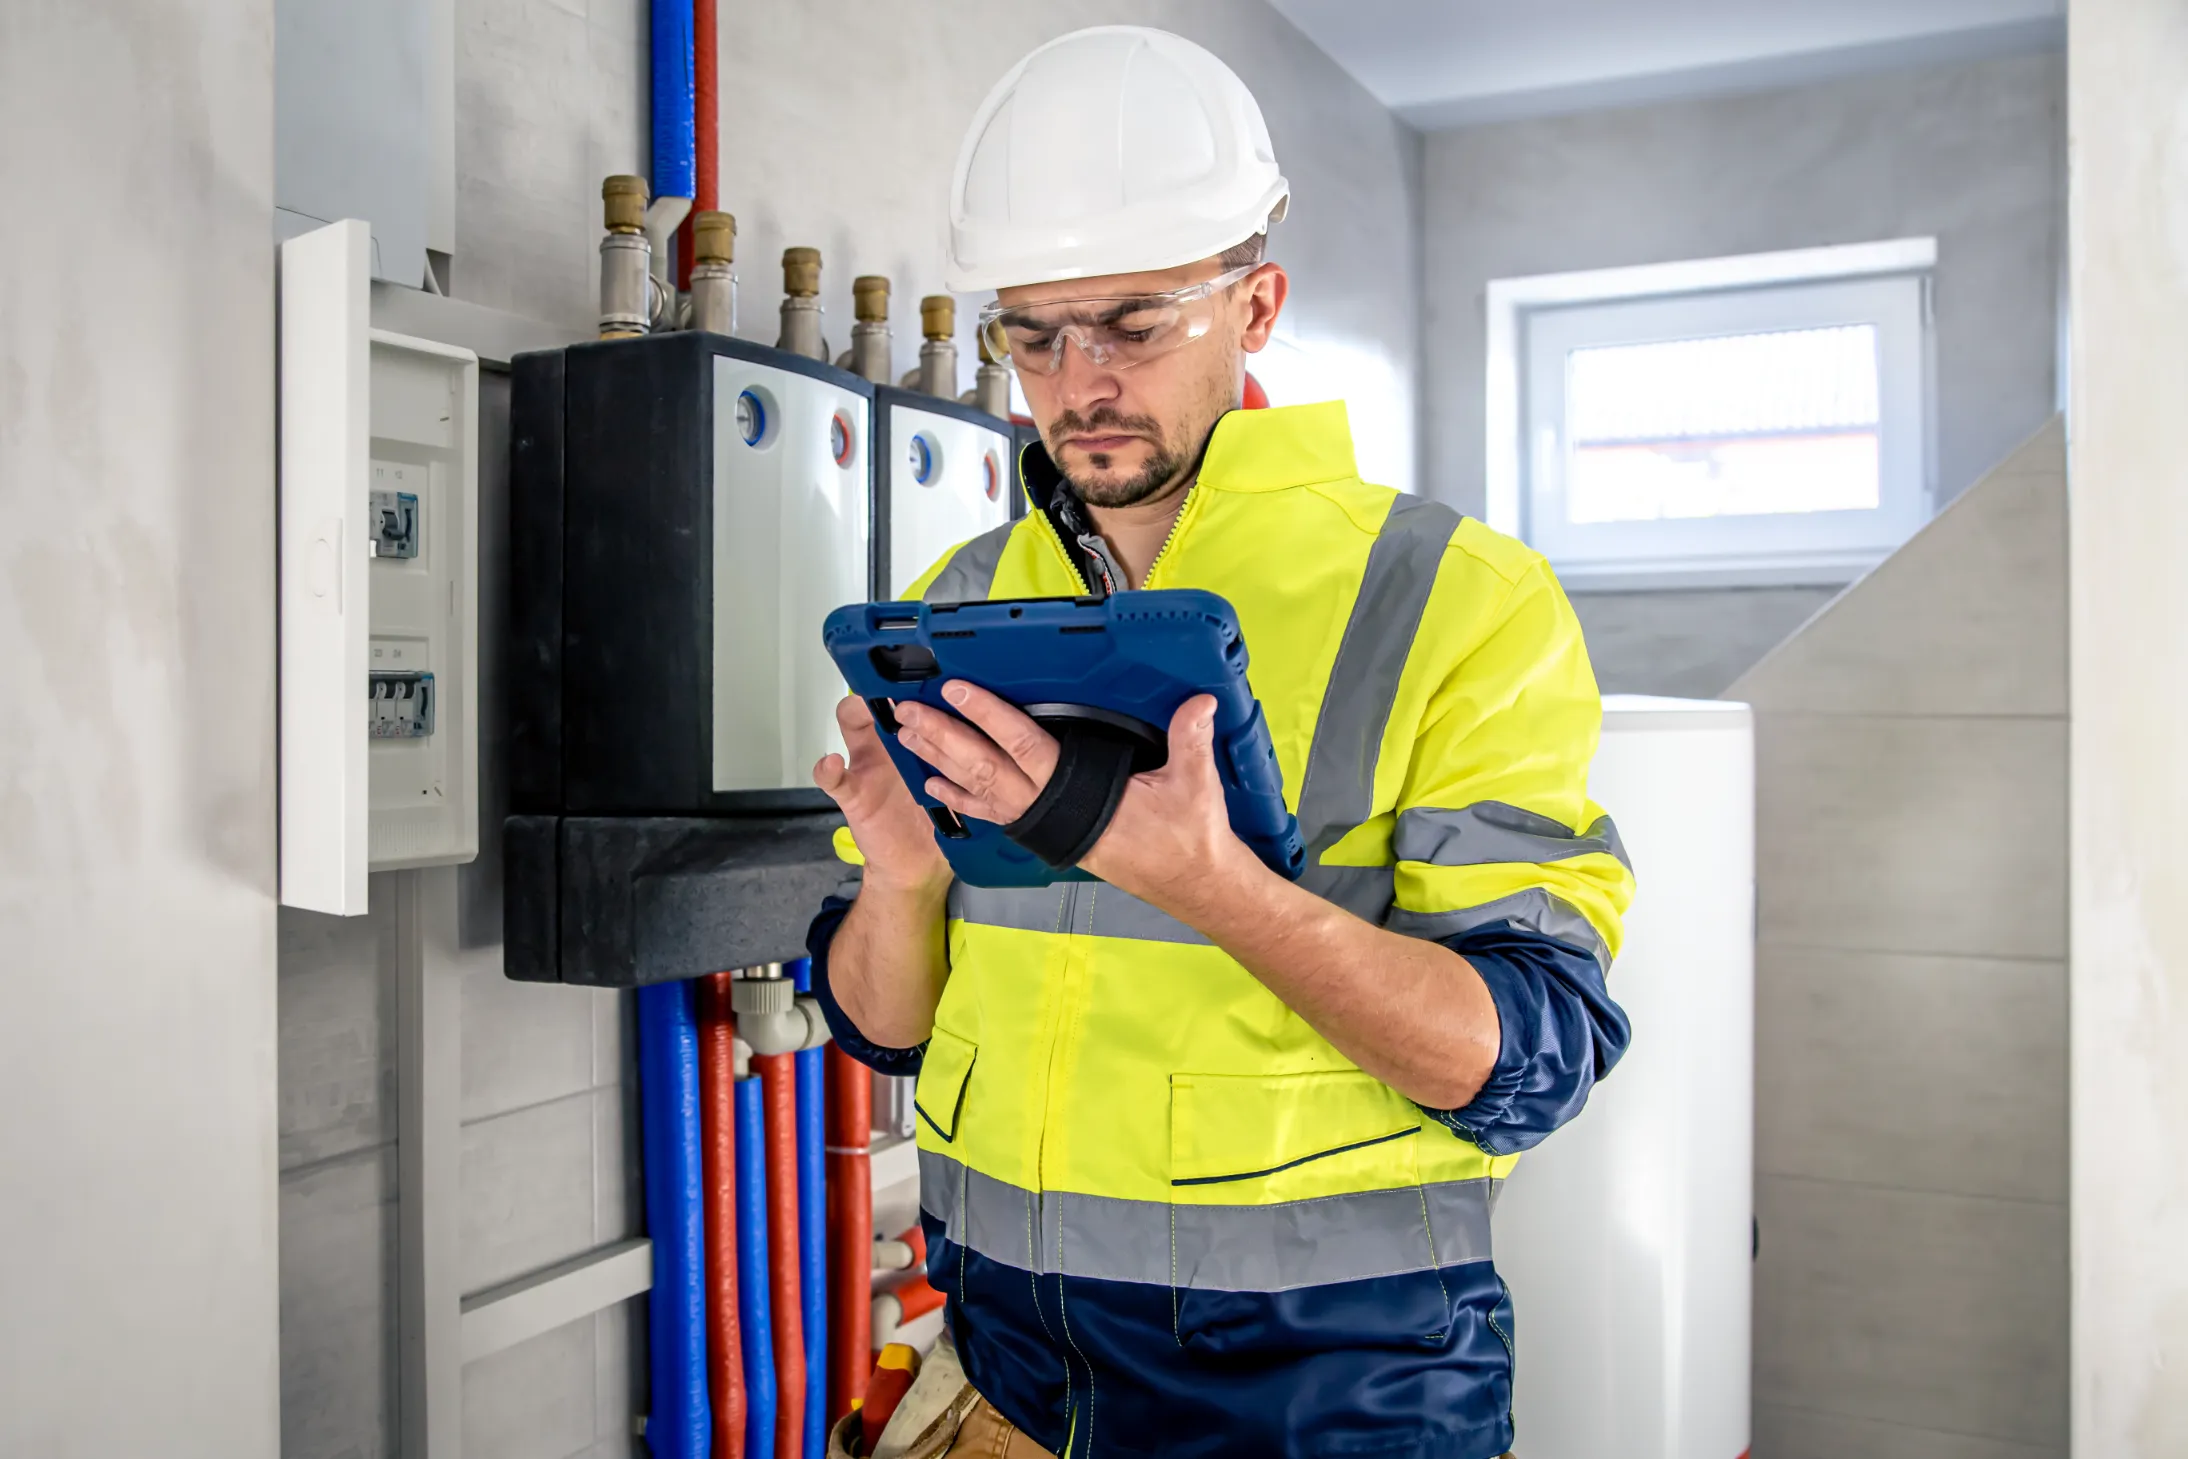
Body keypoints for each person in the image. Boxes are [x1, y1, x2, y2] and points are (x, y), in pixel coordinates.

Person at [808, 25, 1634, 1459]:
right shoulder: (955, 602)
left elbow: (1533, 1062)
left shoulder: (1451, 597)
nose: (1078, 382)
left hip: (1326, 1407)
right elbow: (881, 1023)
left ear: (1257, 306)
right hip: (1005, 1381)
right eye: (1034, 332)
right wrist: (898, 881)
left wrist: (1212, 881)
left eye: (1134, 322)